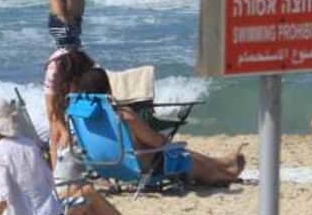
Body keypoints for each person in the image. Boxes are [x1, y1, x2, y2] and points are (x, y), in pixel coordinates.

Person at [80, 69, 244, 186]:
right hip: (139, 166)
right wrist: (166, 141)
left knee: (175, 151)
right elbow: (155, 141)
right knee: (176, 153)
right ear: (108, 88)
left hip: (106, 165)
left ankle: (221, 163)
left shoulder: (82, 116)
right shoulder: (123, 115)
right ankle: (222, 174)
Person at [42, 45, 94, 160]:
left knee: (58, 132)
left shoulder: (78, 61)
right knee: (56, 132)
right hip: (50, 121)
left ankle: (57, 173)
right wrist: (64, 132)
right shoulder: (55, 68)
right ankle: (57, 173)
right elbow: (52, 113)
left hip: (60, 116)